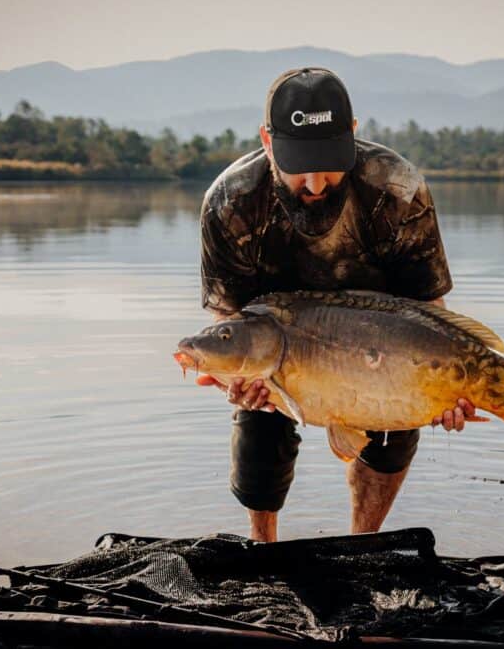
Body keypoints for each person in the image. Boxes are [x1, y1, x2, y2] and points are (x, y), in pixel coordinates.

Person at [197, 67, 487, 542]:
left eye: (330, 163)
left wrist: (444, 388)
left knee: (393, 437)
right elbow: (229, 321)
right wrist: (237, 380)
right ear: (267, 142)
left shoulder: (399, 190)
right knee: (260, 433)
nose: (315, 184)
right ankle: (264, 548)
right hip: (278, 342)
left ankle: (361, 546)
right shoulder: (230, 203)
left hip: (381, 342)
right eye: (299, 166)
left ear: (353, 136)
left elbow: (429, 309)